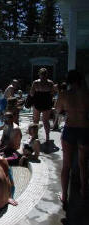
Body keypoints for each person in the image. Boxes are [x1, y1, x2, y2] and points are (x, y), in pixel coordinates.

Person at [55, 70, 89, 206]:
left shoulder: (64, 95)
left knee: (66, 165)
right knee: (83, 163)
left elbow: (58, 110)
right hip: (84, 129)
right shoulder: (87, 94)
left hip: (70, 129)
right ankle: (84, 190)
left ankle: (64, 195)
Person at [30, 68, 55, 141]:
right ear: (46, 74)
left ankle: (35, 136)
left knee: (36, 121)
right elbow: (53, 94)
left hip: (37, 103)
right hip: (47, 103)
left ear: (39, 74)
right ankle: (47, 137)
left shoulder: (36, 82)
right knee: (46, 121)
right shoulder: (50, 83)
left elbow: (31, 94)